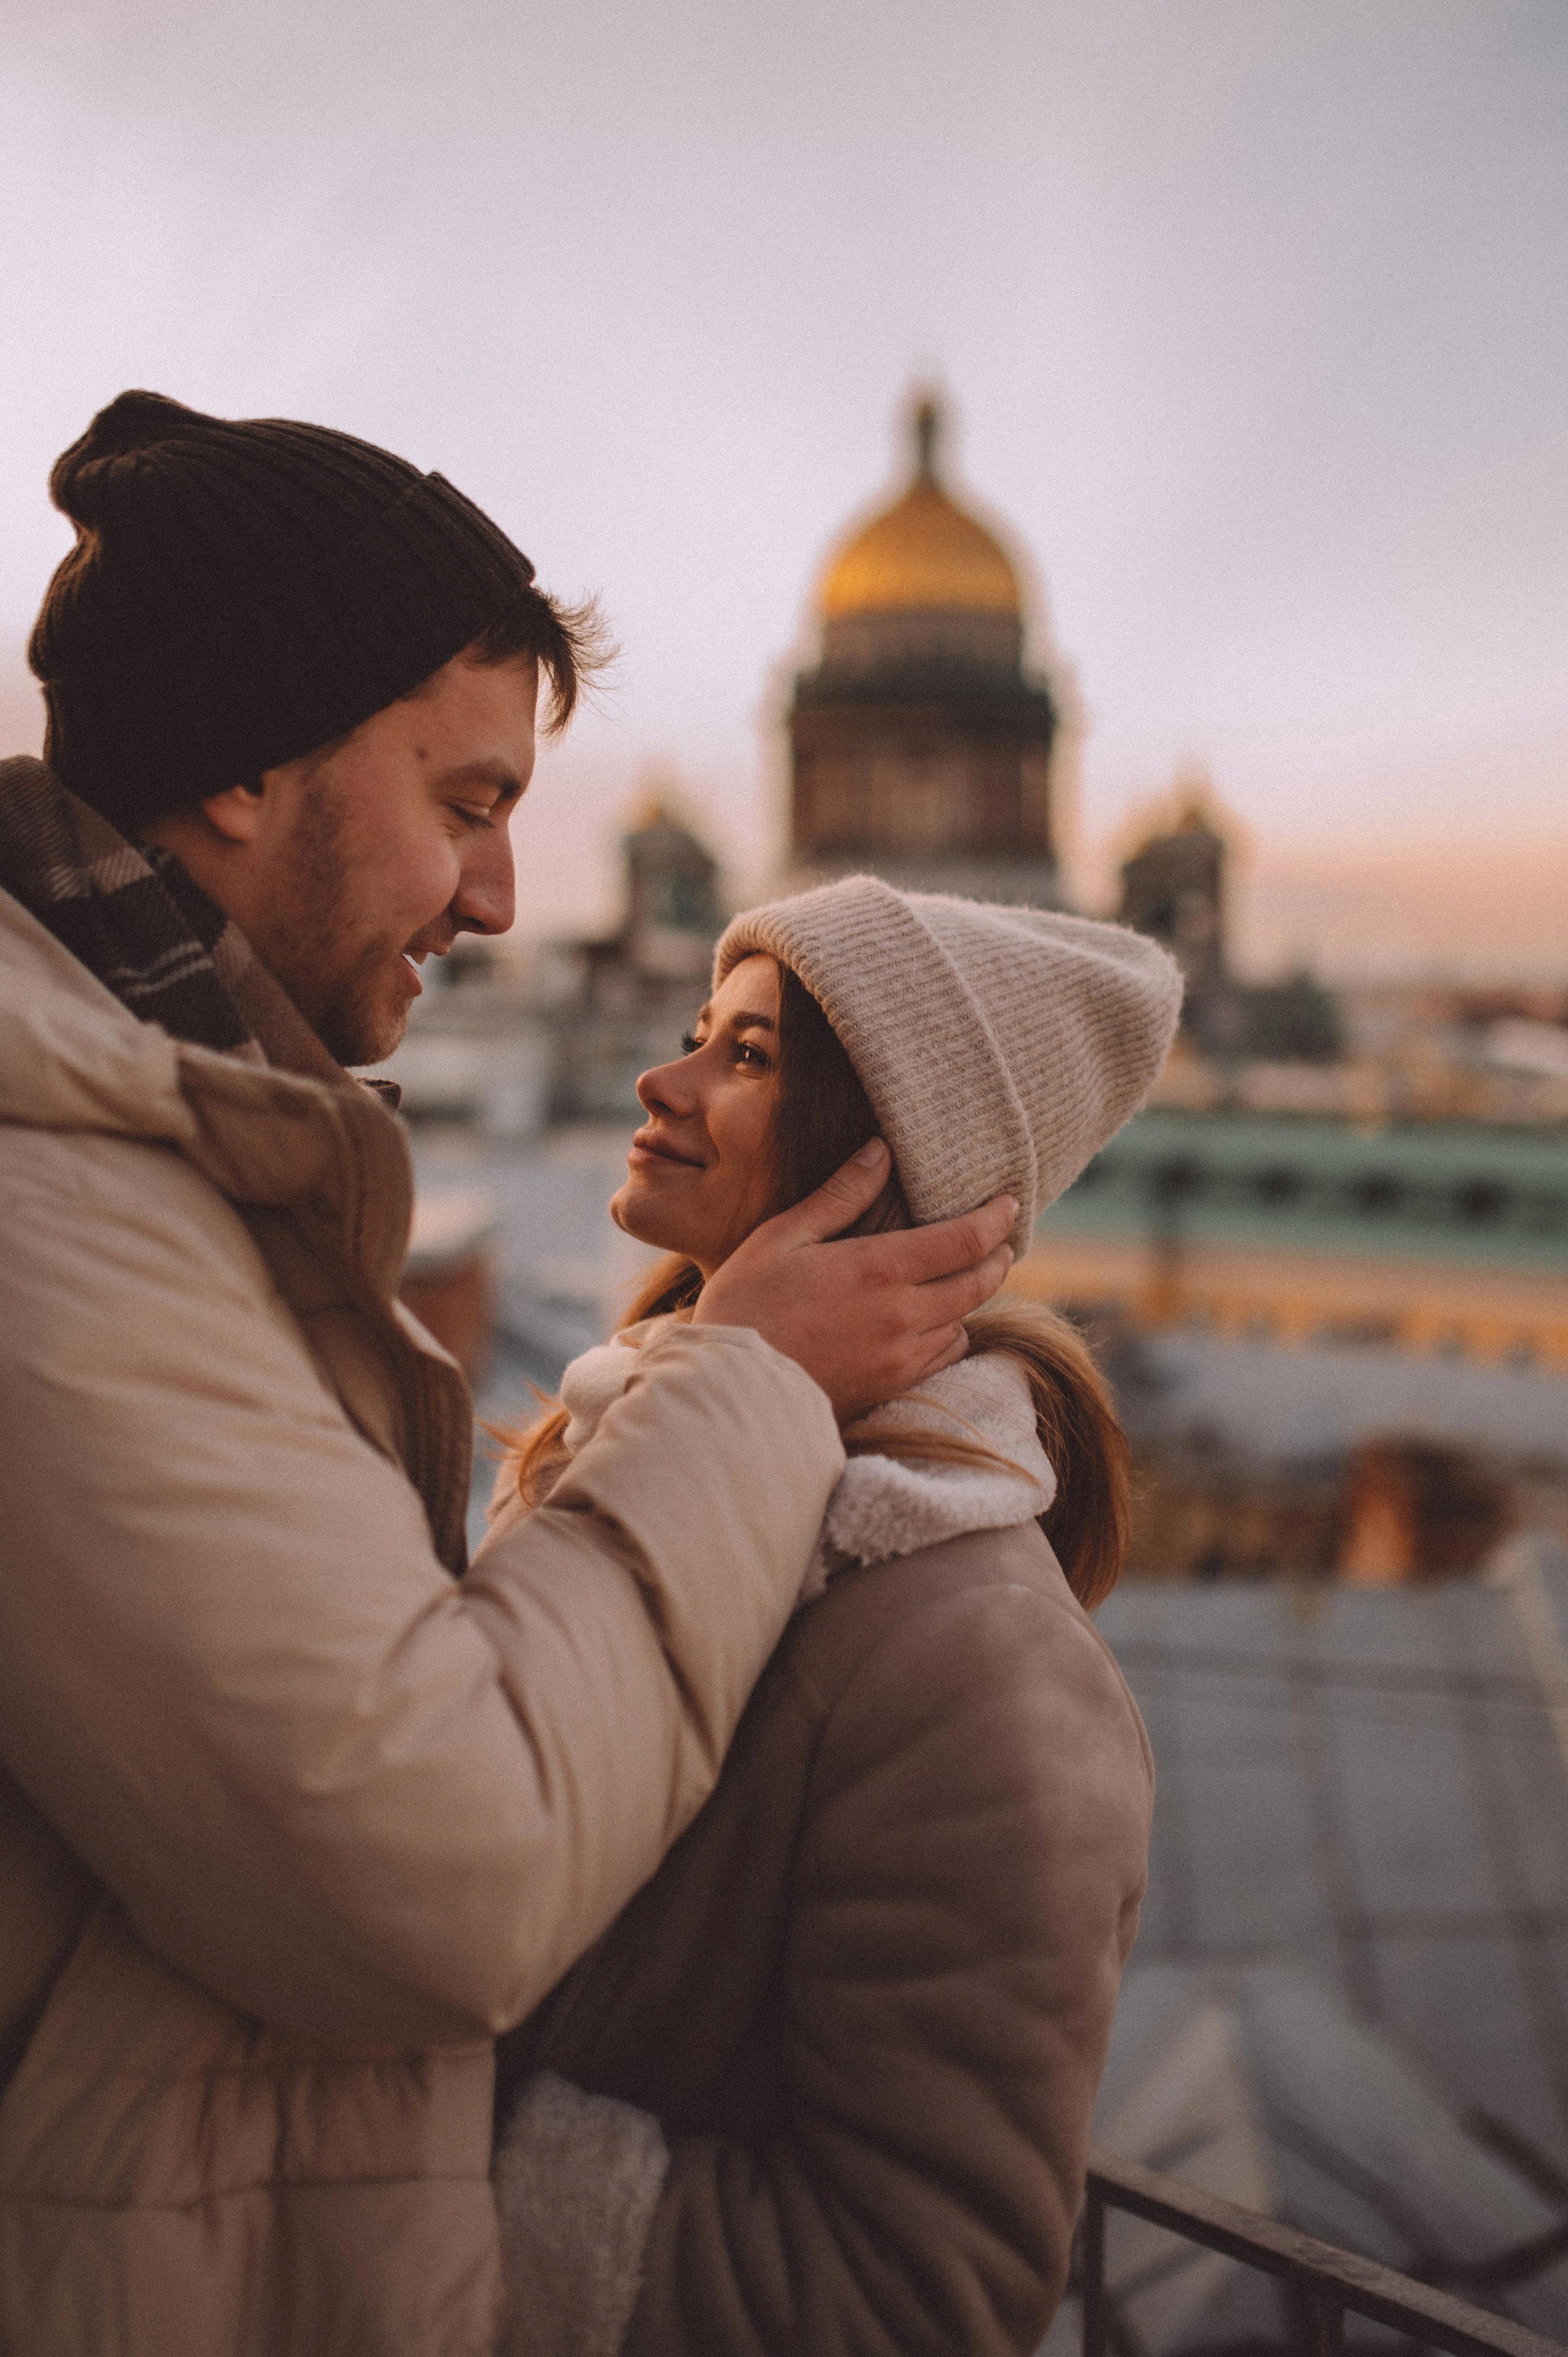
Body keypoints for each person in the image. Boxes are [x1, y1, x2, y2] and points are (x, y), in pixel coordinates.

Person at [0, 395, 1017, 2356]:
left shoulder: (157, 1138)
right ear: (242, 764)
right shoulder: (63, 1191)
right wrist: (750, 1382)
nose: (499, 904)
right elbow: (438, 1874)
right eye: (466, 805)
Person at [488, 876, 1183, 2357]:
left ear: (883, 1159)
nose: (656, 1079)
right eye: (697, 1031)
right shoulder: (617, 1442)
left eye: (744, 1056)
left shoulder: (972, 1661)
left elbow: (914, 2300)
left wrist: (418, 2165)